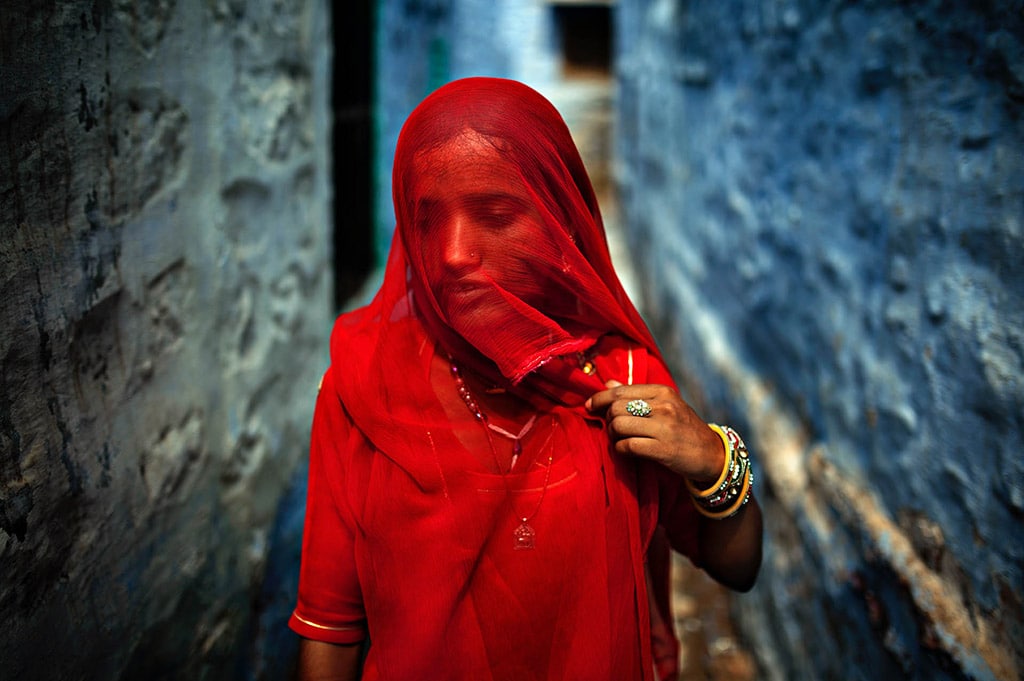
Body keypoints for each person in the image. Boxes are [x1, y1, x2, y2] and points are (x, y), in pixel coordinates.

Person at [289, 77, 763, 681]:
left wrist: (715, 462)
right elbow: (329, 629)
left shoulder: (623, 383)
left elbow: (737, 567)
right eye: (428, 218)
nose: (453, 253)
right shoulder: (364, 391)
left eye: (495, 214)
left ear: (559, 222)